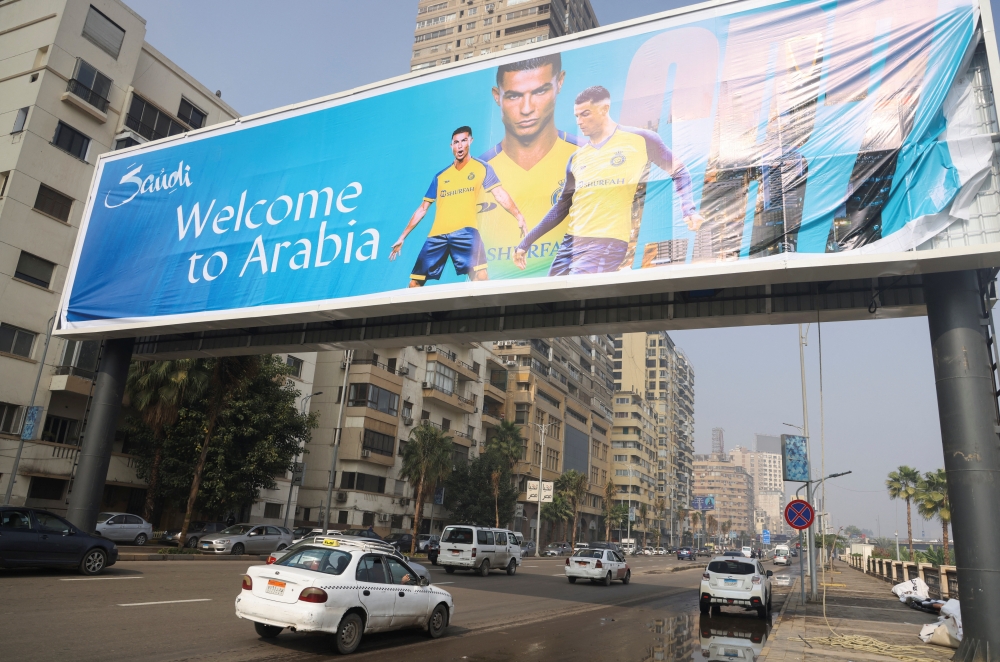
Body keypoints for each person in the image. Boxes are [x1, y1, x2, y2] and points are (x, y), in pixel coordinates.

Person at [514, 85, 704, 275]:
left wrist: (688, 209)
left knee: (579, 290)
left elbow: (679, 171)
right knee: (553, 297)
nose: (579, 121)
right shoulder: (577, 158)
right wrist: (526, 242)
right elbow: (562, 205)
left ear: (604, 109)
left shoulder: (640, 139)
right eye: (577, 116)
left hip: (606, 241)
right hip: (571, 242)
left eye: (585, 114)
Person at [477, 53, 582, 279]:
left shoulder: (586, 155)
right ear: (497, 96)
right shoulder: (477, 171)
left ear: (559, 82)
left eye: (540, 91)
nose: (526, 108)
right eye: (514, 96)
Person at [390, 126, 526, 286]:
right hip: (437, 235)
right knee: (414, 284)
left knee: (481, 277)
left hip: (466, 232)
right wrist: (402, 237)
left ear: (470, 141)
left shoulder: (482, 168)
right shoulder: (440, 176)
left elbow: (499, 194)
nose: (460, 146)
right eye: (456, 142)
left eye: (463, 141)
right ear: (451, 146)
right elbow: (422, 209)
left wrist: (519, 216)